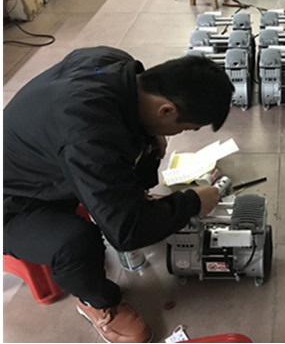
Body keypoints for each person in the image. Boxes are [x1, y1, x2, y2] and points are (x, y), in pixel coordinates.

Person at [4, 47, 235, 343]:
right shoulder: (88, 134)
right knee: (76, 243)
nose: (178, 134)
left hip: (42, 166)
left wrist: (152, 139)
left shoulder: (114, 64)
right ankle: (95, 302)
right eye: (185, 129)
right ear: (166, 110)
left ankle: (130, 202)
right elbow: (126, 233)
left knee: (143, 146)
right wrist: (193, 202)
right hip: (13, 204)